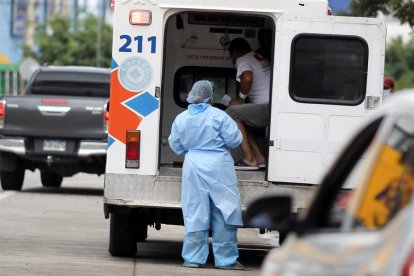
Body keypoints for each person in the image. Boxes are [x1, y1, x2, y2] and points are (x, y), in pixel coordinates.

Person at [168, 80, 244, 270]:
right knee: (224, 210)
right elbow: (234, 140)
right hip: (219, 166)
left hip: (193, 166)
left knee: (195, 211)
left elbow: (176, 145)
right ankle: (226, 261)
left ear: (191, 96)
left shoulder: (181, 118)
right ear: (211, 98)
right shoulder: (220, 116)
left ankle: (193, 259)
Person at [225, 38, 271, 170]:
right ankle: (259, 158)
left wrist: (240, 99)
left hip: (266, 108)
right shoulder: (259, 58)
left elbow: (247, 77)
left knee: (231, 113)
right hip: (273, 108)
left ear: (233, 54)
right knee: (242, 119)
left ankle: (249, 159)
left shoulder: (242, 59)